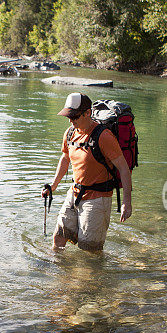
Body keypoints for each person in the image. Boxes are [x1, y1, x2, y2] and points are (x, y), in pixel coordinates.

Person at [42, 93, 133, 251]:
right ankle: (56, 274)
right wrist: (53, 185)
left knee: (89, 251)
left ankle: (91, 276)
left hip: (97, 200)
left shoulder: (104, 136)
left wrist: (127, 201)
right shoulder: (70, 133)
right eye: (68, 116)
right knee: (58, 237)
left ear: (88, 113)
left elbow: (123, 168)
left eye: (74, 116)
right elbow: (65, 158)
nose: (71, 120)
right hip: (74, 193)